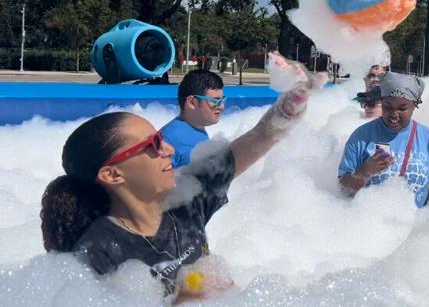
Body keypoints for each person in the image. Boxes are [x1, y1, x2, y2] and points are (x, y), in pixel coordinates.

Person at [39, 55, 321, 301]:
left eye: (161, 139)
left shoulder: (187, 200)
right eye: (153, 145)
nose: (169, 149)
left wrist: (290, 103)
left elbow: (260, 138)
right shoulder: (97, 256)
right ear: (112, 174)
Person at [338, 72, 429, 207]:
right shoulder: (361, 137)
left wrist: (427, 217)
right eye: (388, 107)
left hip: (416, 223)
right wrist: (365, 171)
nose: (394, 114)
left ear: (414, 105)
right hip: (370, 221)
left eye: (402, 108)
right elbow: (343, 190)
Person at [160, 70, 224, 169]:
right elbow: (155, 181)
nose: (221, 106)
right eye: (215, 101)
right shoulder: (169, 139)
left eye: (222, 100)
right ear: (192, 102)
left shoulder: (197, 130)